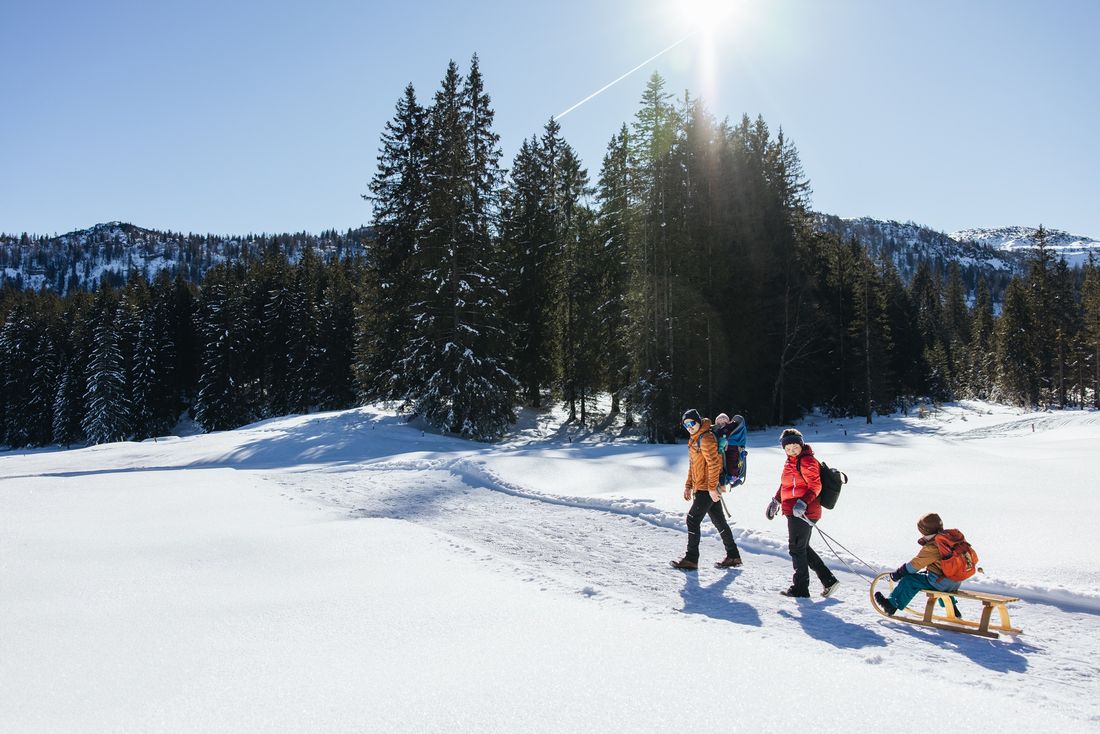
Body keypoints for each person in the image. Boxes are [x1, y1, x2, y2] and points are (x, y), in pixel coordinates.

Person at [766, 428, 840, 598]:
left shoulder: (807, 461)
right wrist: (776, 500)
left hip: (804, 511)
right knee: (802, 547)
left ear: (801, 445)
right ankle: (829, 581)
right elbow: (786, 486)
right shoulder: (790, 462)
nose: (792, 451)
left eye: (795, 447)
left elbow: (815, 486)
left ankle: (800, 588)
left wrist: (803, 503)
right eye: (788, 448)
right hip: (794, 510)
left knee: (796, 549)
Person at [671, 409, 743, 570]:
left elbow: (714, 464)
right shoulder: (694, 438)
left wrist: (712, 488)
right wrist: (688, 486)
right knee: (719, 521)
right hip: (701, 487)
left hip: (707, 488)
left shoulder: (706, 438)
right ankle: (733, 556)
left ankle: (691, 559)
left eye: (691, 423)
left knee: (692, 519)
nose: (689, 427)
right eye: (685, 424)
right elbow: (693, 465)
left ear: (698, 421)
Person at [874, 513, 961, 616]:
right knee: (929, 577)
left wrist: (899, 573)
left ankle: (892, 605)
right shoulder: (949, 539)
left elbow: (915, 565)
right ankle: (953, 610)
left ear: (924, 531)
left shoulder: (933, 545)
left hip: (942, 582)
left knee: (910, 580)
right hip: (956, 580)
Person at [712, 413, 747, 488]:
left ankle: (734, 478)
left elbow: (728, 434)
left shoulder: (730, 426)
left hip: (732, 448)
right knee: (724, 464)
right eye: (719, 423)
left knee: (732, 464)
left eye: (723, 422)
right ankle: (727, 477)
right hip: (725, 449)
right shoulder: (719, 430)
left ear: (728, 422)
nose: (721, 424)